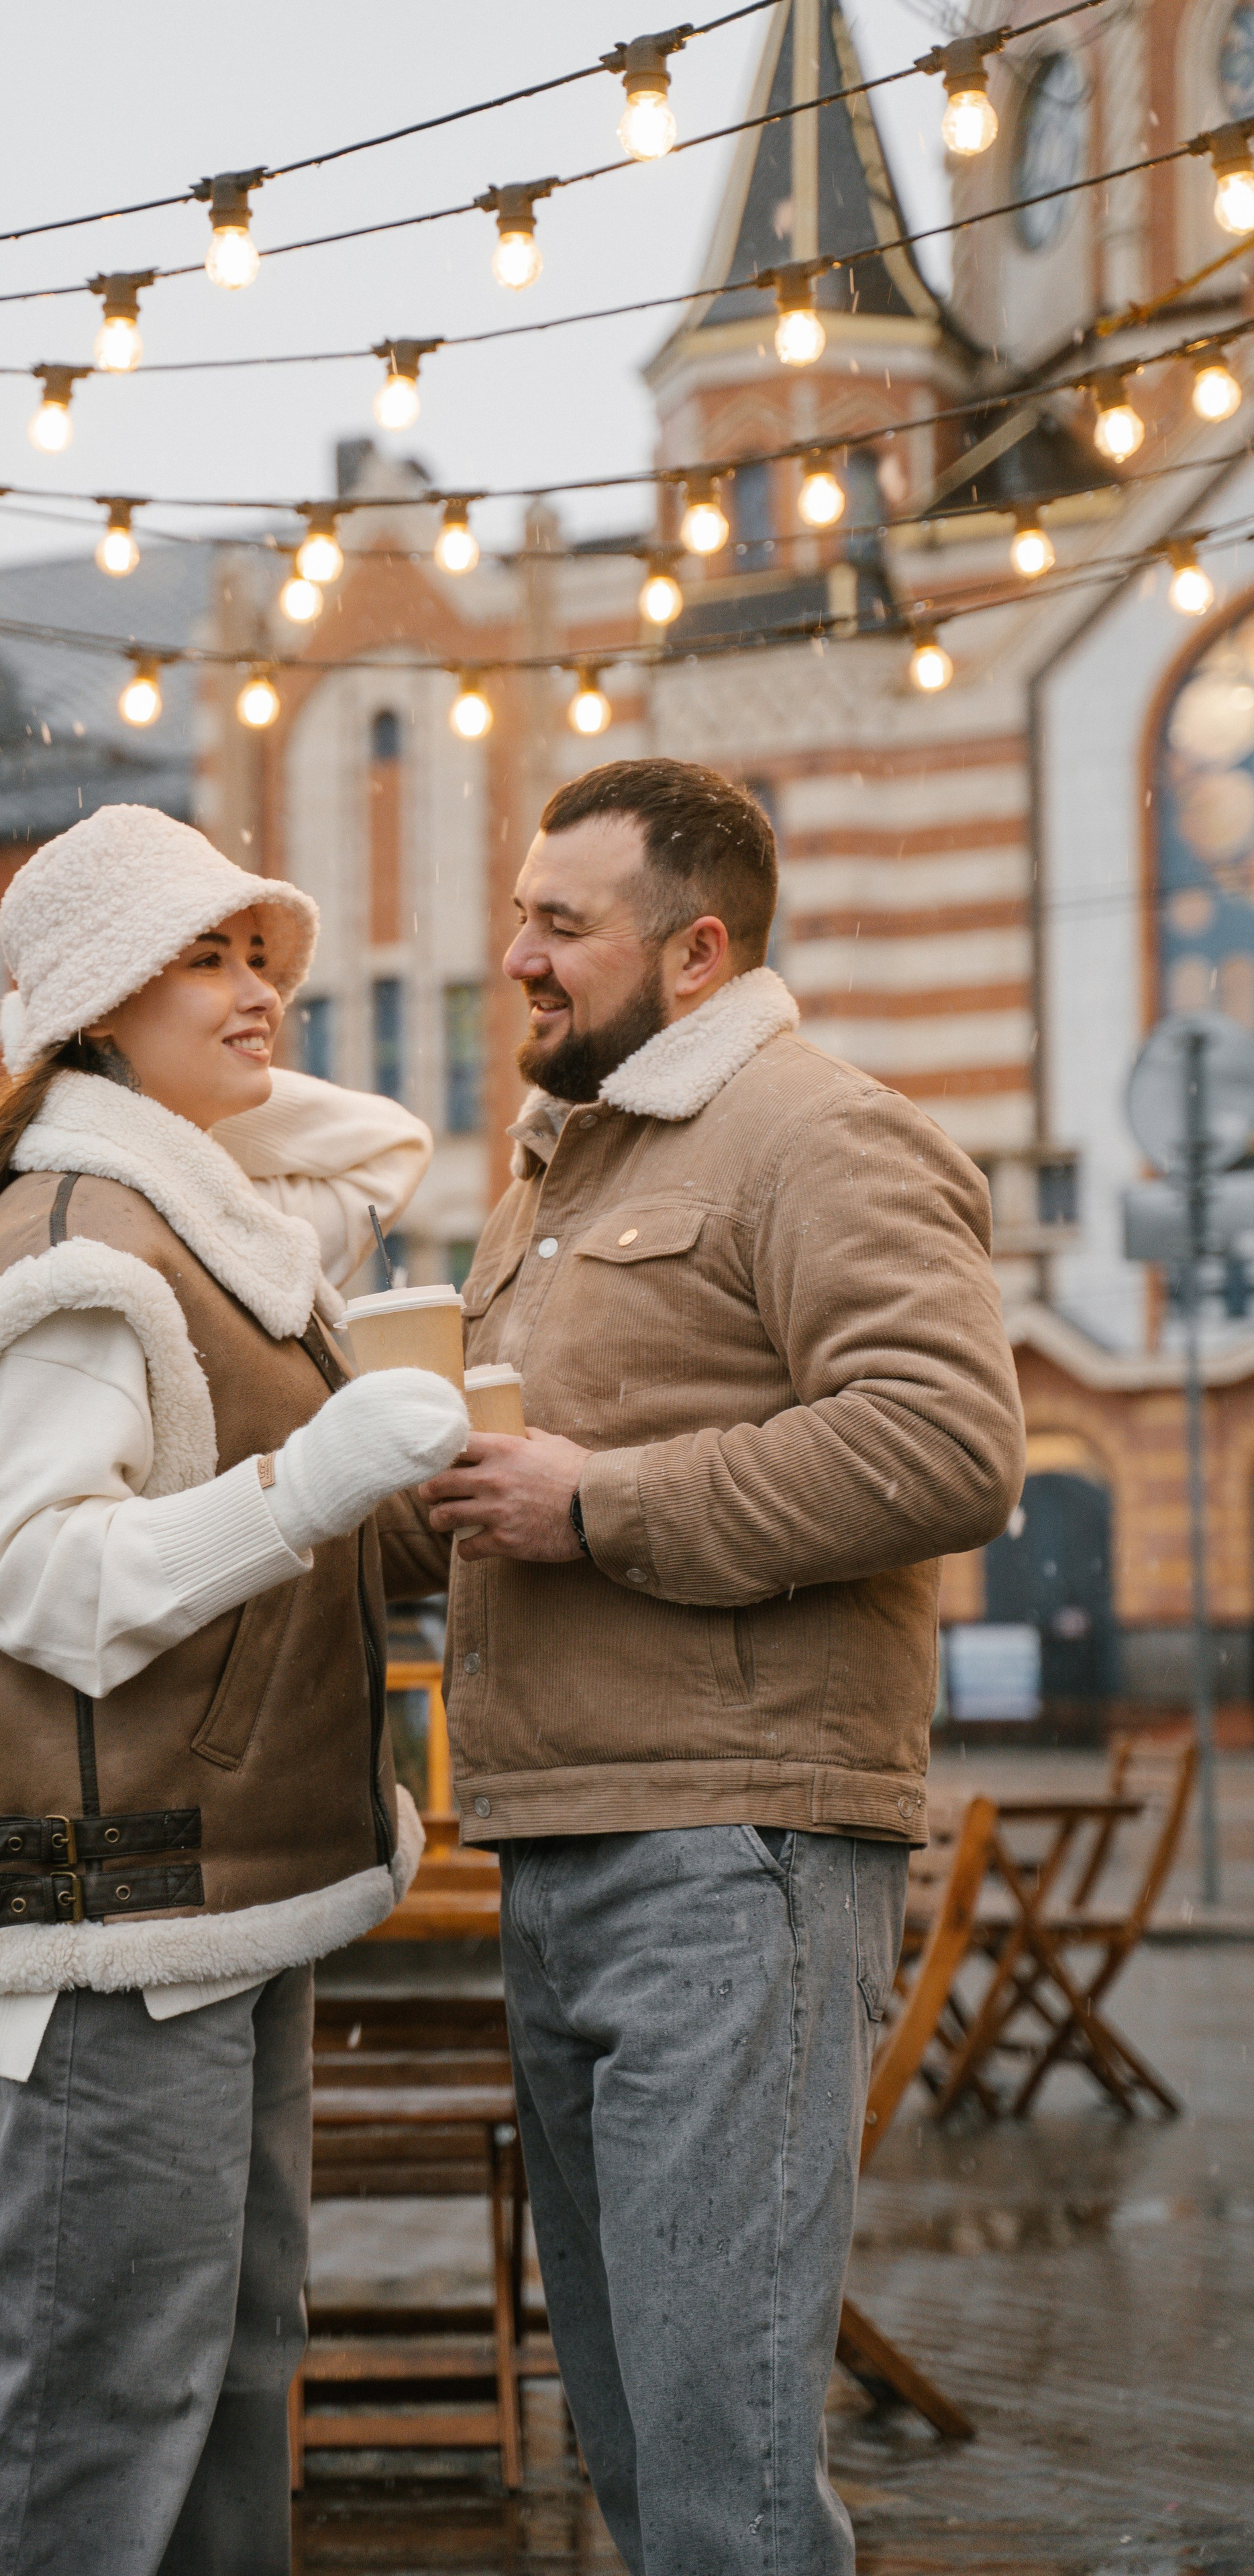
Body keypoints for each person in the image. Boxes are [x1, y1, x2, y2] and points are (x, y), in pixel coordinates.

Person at [386, 757, 1025, 2576]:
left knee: (725, 2476)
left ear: (697, 950)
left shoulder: (822, 1132)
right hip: (564, 1848)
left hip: (731, 1862)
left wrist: (599, 1506)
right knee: (639, 2457)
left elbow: (947, 1445)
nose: (514, 954)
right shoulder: (553, 1176)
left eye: (558, 923)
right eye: (518, 913)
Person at [0, 803, 469, 2576]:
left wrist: (411, 1498)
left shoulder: (185, 1224)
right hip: (114, 1908)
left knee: (224, 2378)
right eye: (203, 958)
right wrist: (316, 1484)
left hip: (216, 1895)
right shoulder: (83, 1255)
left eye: (258, 956)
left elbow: (370, 1141)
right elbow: (48, 1585)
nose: (259, 991)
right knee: (98, 2421)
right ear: (90, 1004)